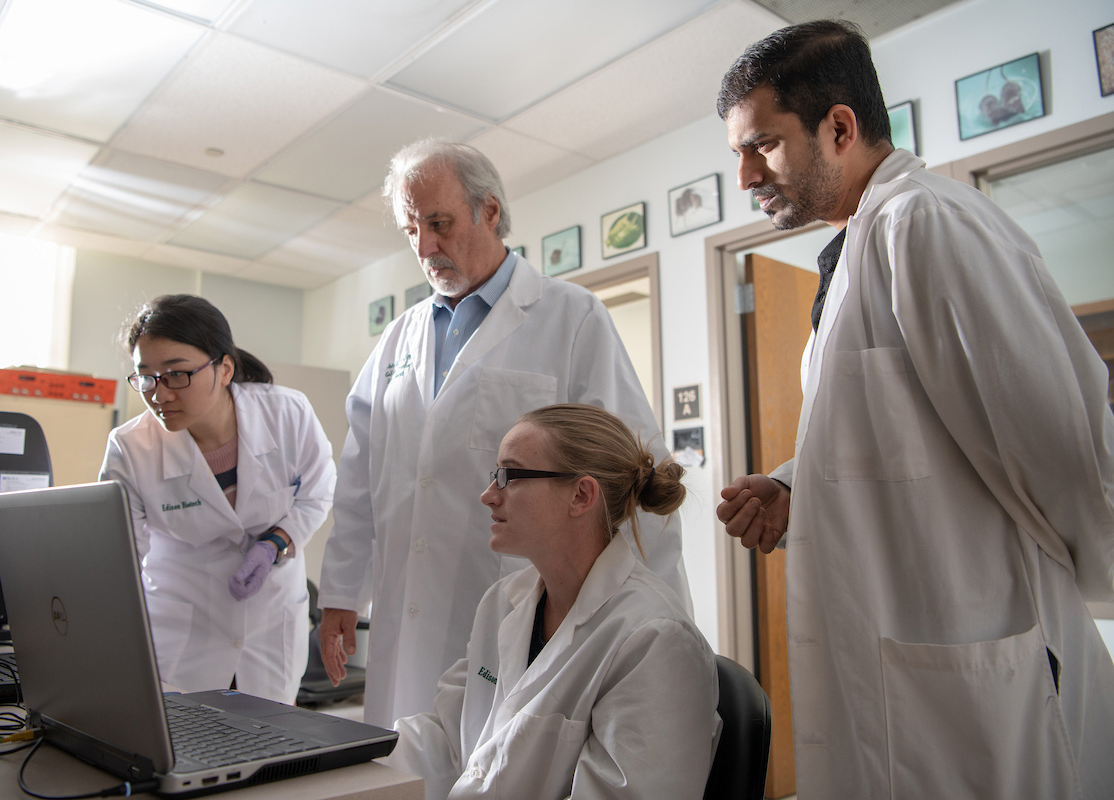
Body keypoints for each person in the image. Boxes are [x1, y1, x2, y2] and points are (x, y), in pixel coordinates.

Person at [714, 20, 1114, 799]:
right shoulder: (861, 247)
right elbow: (914, 431)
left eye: (759, 144)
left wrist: (1084, 590)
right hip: (917, 673)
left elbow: (1065, 447)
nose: (742, 176)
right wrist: (799, 484)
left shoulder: (925, 223)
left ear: (839, 127)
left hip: (983, 667)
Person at [318, 139, 690, 727]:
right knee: (403, 767)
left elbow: (634, 474)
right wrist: (339, 593)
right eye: (411, 228)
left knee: (496, 766)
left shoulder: (571, 318)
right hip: (402, 614)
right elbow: (361, 478)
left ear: (489, 211)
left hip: (513, 605)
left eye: (438, 223)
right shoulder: (397, 340)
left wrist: (664, 620)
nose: (425, 246)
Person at [388, 404, 719, 799]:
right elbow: (449, 736)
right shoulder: (502, 604)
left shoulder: (654, 640)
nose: (488, 495)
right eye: (496, 474)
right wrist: (348, 753)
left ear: (580, 495)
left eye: (509, 475)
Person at [100, 294, 335, 705]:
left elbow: (318, 489)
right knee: (187, 744)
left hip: (271, 621)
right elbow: (119, 557)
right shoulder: (131, 448)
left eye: (176, 374)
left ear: (224, 368)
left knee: (270, 740)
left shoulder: (287, 413)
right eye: (145, 377)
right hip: (183, 629)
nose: (159, 394)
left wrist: (277, 541)